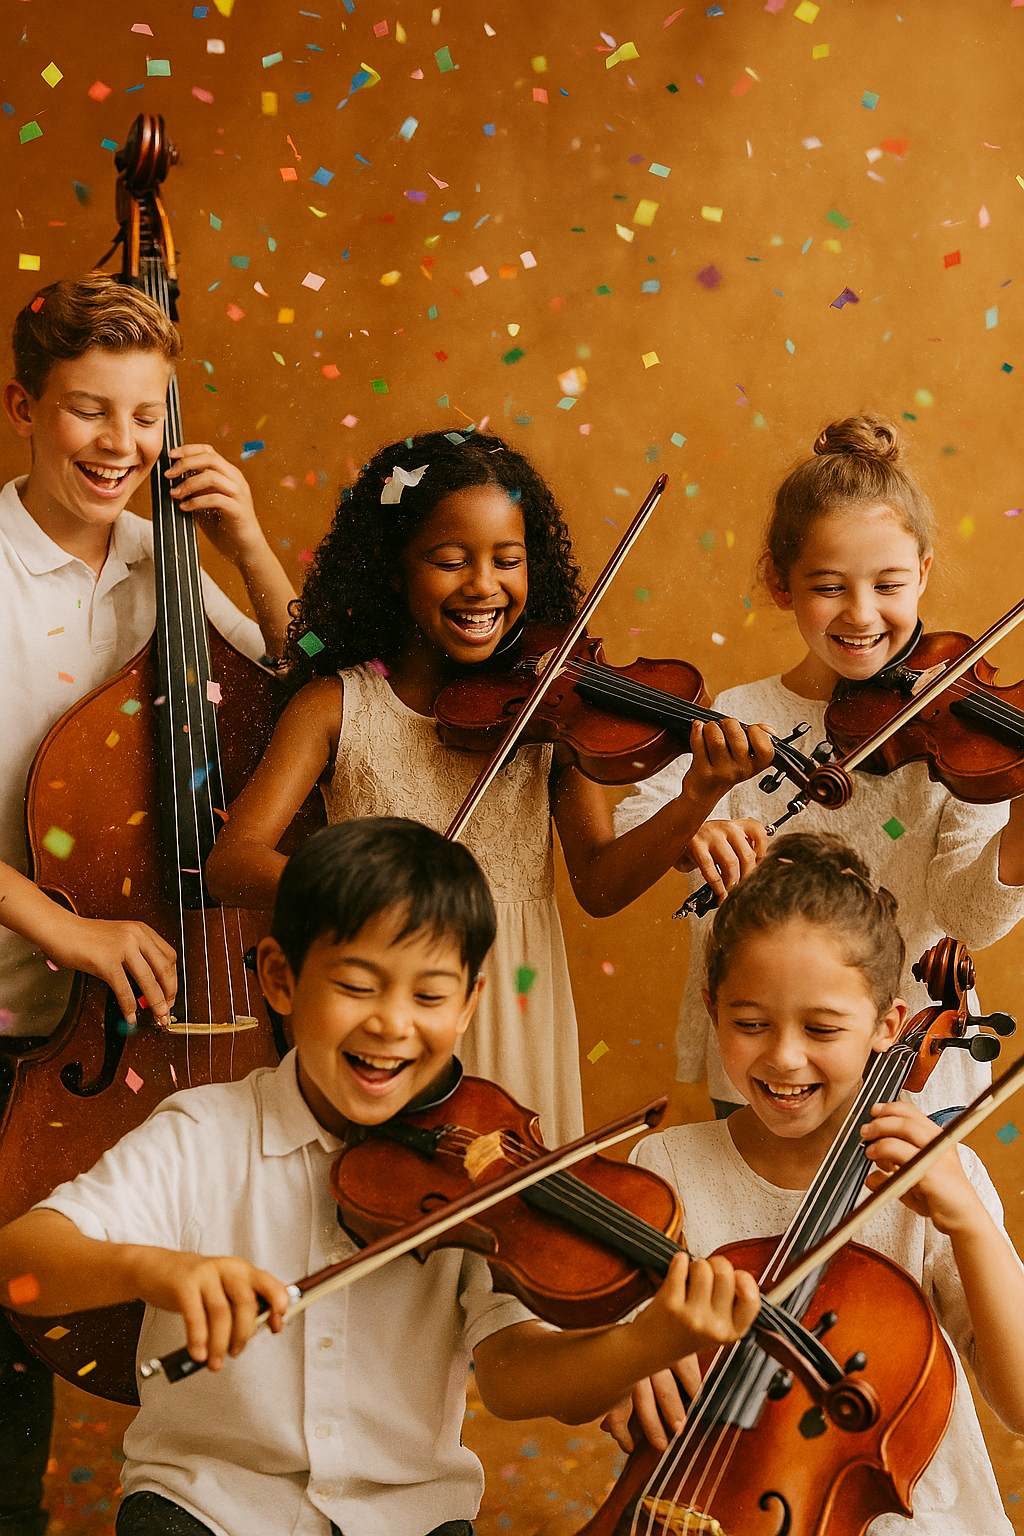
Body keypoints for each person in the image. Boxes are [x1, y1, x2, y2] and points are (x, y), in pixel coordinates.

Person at [0, 818, 762, 1536]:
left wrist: (653, 1341)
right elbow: (21, 1272)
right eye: (357, 986)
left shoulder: (488, 1173)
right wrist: (153, 1268)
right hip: (209, 1508)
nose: (392, 1024)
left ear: (469, 1007)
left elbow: (514, 1378)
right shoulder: (203, 1135)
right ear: (280, 979)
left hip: (410, 1517)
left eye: (429, 995)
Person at [204, 429, 775, 1147]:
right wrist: (369, 896)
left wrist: (697, 795)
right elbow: (233, 862)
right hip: (386, 994)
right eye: (450, 561)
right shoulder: (333, 707)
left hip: (516, 997)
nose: (483, 585)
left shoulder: (548, 715)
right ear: (392, 569)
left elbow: (598, 884)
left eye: (508, 561)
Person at [0, 273, 296, 1535]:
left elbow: (307, 695)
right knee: (7, 1348)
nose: (119, 445)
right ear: (22, 405)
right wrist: (65, 929)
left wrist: (248, 545)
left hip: (156, 1017)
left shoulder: (159, 557)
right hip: (24, 1011)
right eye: (86, 412)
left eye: (145, 415)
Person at [614, 415, 1024, 1118]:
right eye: (830, 586)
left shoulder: (958, 740)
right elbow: (635, 813)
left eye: (889, 584)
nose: (861, 613)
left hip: (912, 1065)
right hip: (767, 1066)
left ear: (923, 574)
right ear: (781, 582)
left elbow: (968, 916)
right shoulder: (744, 712)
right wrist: (691, 832)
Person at [618, 831, 1024, 1533]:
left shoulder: (935, 1179)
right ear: (712, 1008)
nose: (783, 1056)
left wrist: (968, 1223)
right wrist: (632, 1362)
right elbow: (623, 1373)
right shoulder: (666, 1171)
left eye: (822, 1028)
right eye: (751, 1023)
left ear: (887, 1026)